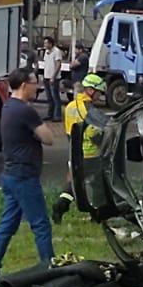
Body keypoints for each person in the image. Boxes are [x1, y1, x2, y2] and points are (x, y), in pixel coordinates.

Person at [0, 69, 56, 282]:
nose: (38, 87)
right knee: (41, 224)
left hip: (10, 174)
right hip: (25, 176)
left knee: (7, 225)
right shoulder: (26, 111)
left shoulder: (8, 106)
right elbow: (49, 138)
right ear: (25, 85)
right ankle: (50, 269)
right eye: (35, 83)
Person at [52, 71, 106, 224]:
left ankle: (61, 206)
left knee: (74, 185)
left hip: (74, 152)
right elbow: (93, 132)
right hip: (90, 154)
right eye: (98, 93)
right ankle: (96, 216)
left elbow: (70, 130)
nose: (99, 96)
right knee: (97, 185)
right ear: (90, 90)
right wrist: (103, 139)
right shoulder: (88, 109)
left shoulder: (70, 106)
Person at [40, 37, 63, 121]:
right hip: (47, 76)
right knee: (49, 97)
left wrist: (53, 76)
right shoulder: (46, 52)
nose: (45, 45)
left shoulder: (56, 51)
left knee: (55, 97)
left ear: (50, 44)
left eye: (46, 43)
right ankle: (50, 114)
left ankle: (57, 116)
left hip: (54, 78)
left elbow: (58, 64)